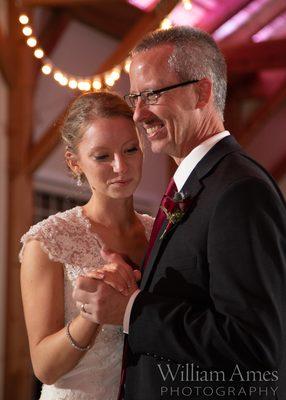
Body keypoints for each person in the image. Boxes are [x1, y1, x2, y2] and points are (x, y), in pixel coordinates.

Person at [73, 27, 286, 400]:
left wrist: (131, 310)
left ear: (201, 92)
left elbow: (254, 346)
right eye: (135, 96)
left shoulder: (239, 191)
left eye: (152, 94)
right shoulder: (198, 184)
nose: (138, 114)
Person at [20, 91, 154, 400]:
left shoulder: (158, 231)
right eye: (102, 156)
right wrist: (91, 315)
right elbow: (44, 368)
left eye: (130, 149)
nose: (120, 166)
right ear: (75, 161)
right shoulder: (48, 241)